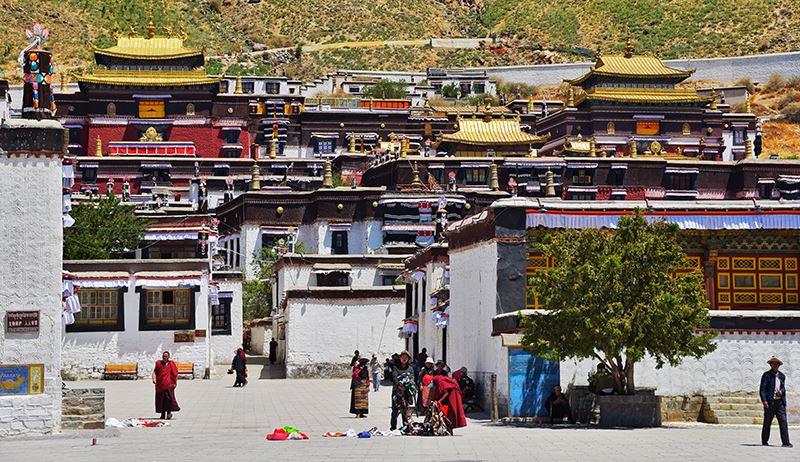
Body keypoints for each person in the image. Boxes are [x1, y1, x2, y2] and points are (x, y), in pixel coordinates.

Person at [760, 355, 792, 447]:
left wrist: (781, 392)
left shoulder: (782, 376)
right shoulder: (766, 375)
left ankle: (785, 442)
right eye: (773, 363)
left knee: (783, 422)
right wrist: (764, 401)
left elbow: (783, 388)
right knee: (767, 422)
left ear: (779, 365)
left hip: (780, 403)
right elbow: (762, 389)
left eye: (777, 363)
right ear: (771, 364)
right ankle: (764, 441)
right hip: (770, 402)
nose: (775, 365)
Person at [391, 350, 416, 430]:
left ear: (408, 359)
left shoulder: (410, 368)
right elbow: (394, 378)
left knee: (405, 409)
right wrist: (399, 385)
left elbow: (412, 377)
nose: (404, 359)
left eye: (406, 357)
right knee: (395, 410)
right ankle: (393, 427)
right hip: (397, 391)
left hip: (406, 392)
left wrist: (407, 385)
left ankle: (405, 427)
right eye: (402, 357)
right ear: (400, 358)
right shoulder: (395, 367)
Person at [152, 351, 180, 420]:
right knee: (161, 400)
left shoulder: (171, 364)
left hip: (169, 384)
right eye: (164, 356)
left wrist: (174, 383)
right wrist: (154, 378)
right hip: (160, 385)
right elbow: (154, 372)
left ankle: (169, 413)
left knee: (169, 399)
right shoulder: (159, 363)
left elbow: (175, 374)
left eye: (166, 356)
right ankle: (162, 414)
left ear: (169, 357)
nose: (165, 357)